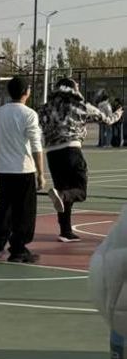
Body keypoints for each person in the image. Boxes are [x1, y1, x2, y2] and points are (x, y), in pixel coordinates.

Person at [39, 77, 120, 242]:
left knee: (63, 191)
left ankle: (65, 231)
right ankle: (62, 197)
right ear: (72, 89)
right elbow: (107, 119)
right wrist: (119, 112)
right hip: (71, 149)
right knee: (80, 191)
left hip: (52, 153)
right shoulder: (79, 105)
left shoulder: (45, 108)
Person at [0, 76, 45, 264]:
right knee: (24, 211)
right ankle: (19, 249)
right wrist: (41, 173)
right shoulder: (29, 114)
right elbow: (36, 145)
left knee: (4, 207)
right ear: (26, 92)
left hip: (4, 168)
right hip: (23, 169)